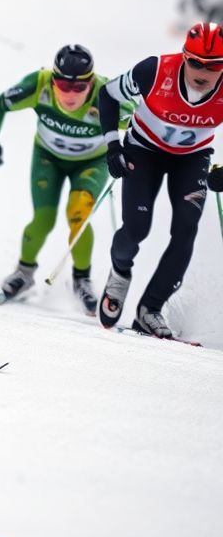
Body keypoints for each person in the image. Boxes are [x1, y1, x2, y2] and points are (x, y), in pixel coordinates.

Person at [96, 22, 223, 338]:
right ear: (183, 56)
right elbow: (107, 95)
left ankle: (150, 309)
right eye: (194, 62)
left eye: (214, 66)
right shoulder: (154, 70)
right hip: (144, 150)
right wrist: (113, 144)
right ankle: (120, 274)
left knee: (185, 230)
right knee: (137, 228)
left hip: (192, 158)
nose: (202, 72)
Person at [0, 45, 110, 312]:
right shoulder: (38, 85)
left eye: (80, 87)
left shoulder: (106, 95)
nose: (70, 94)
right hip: (47, 159)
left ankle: (81, 280)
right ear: (53, 80)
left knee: (78, 214)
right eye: (63, 84)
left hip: (91, 163)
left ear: (92, 82)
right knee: (43, 220)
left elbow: (142, 121)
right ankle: (23, 273)